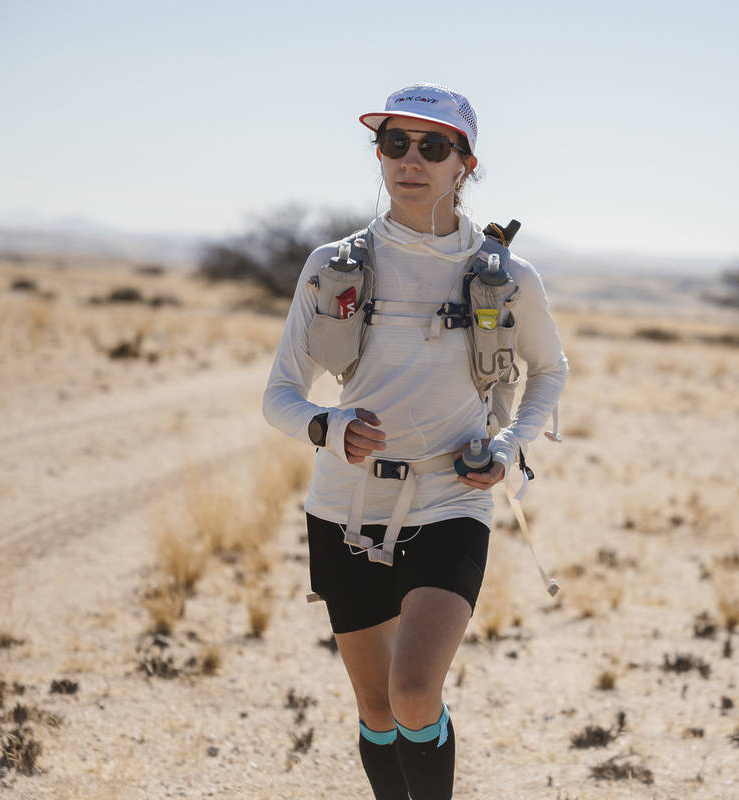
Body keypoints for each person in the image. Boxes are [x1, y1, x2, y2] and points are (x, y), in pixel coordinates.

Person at [262, 83, 568, 799]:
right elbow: (279, 395)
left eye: (434, 146)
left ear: (466, 164)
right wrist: (328, 427)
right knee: (376, 708)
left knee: (413, 694)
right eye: (395, 142)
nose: (411, 159)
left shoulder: (506, 277)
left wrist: (508, 446)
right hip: (343, 506)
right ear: (378, 153)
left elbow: (550, 369)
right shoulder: (333, 265)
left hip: (451, 499)